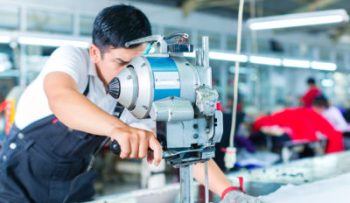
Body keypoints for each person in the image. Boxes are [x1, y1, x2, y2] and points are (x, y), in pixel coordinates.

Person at [0, 4, 262, 203]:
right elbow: (62, 99)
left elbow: (184, 146)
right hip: (17, 180)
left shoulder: (137, 90)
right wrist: (118, 129)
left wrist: (229, 192)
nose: (132, 73)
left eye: (137, 63)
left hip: (74, 184)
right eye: (122, 64)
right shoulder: (71, 58)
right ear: (95, 52)